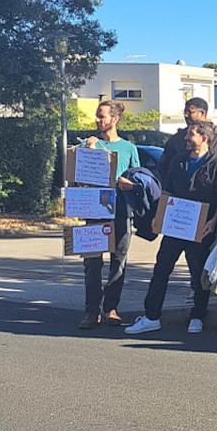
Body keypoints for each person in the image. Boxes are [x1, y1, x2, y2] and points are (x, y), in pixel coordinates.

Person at [125, 121, 217, 334]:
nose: (186, 139)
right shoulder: (179, 160)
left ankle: (197, 316)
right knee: (161, 270)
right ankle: (151, 316)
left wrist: (214, 220)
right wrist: (159, 217)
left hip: (201, 227)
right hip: (176, 226)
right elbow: (168, 191)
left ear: (204, 138)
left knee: (197, 274)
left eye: (191, 135)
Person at [77, 100, 141, 329]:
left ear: (115, 119)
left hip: (122, 211)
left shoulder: (129, 148)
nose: (98, 120)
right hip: (95, 209)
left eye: (102, 116)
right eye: (97, 115)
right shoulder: (88, 144)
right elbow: (78, 177)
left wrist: (131, 185)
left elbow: (138, 180)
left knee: (119, 260)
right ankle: (92, 311)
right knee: (92, 262)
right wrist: (88, 151)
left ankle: (111, 308)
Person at [158, 97, 217, 184]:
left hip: (212, 193)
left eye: (190, 112)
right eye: (185, 112)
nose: (186, 115)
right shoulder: (177, 138)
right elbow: (164, 166)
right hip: (182, 193)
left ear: (202, 113)